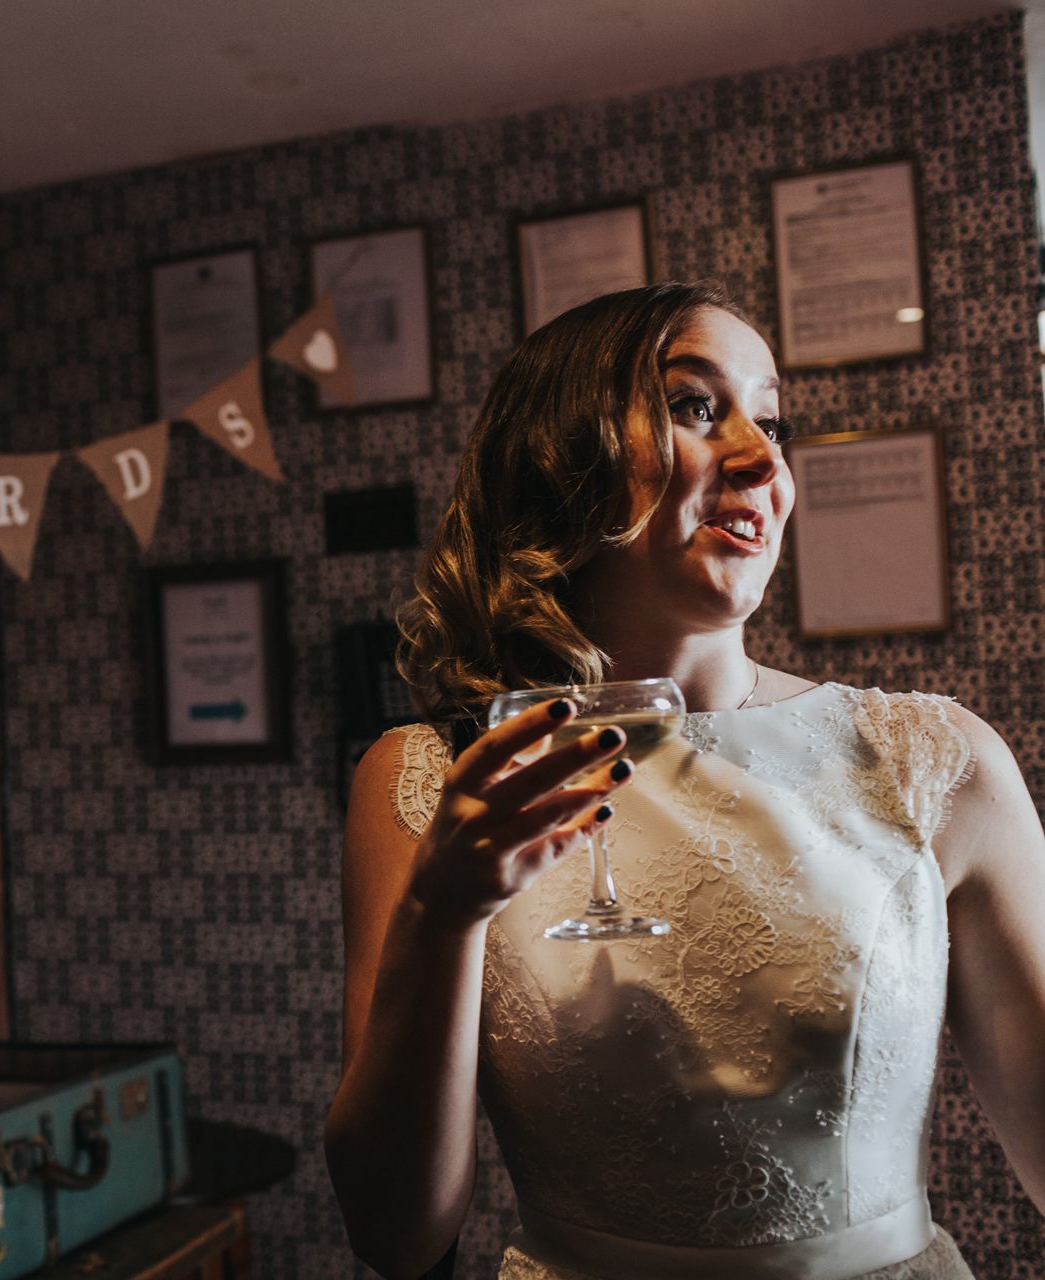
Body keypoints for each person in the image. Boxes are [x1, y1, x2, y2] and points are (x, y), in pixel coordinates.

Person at [327, 281, 1045, 1280]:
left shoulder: (937, 762)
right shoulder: (429, 778)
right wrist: (442, 917)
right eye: (696, 406)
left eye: (773, 418)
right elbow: (394, 1235)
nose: (763, 456)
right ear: (560, 456)